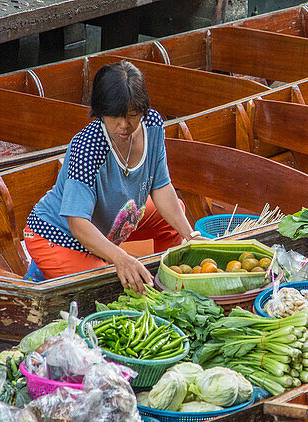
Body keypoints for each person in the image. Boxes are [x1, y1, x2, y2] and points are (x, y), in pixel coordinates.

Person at [24, 61, 200, 293]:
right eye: (114, 117)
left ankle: (169, 277)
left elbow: (161, 187)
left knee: (174, 216)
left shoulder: (153, 124)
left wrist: (192, 236)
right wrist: (121, 258)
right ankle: (45, 267)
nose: (124, 126)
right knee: (111, 286)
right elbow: (77, 223)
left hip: (114, 219)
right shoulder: (87, 146)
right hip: (58, 235)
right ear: (100, 112)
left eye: (132, 115)